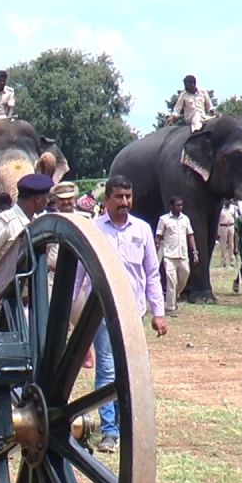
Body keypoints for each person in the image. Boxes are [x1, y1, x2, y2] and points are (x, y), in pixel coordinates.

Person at [89, 175, 168, 453]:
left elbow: (151, 274)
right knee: (107, 371)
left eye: (128, 197)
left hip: (134, 313)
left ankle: (130, 426)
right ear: (107, 200)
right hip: (102, 313)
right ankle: (109, 431)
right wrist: (75, 317)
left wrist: (159, 311)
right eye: (119, 197)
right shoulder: (94, 229)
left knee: (132, 370)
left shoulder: (143, 230)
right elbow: (79, 276)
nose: (125, 202)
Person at [0, 174, 55, 282]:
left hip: (33, 293)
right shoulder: (5, 223)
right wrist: (9, 279)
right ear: (37, 199)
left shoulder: (35, 221)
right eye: (47, 197)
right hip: (9, 296)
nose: (48, 201)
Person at [155, 196, 198, 317]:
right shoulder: (164, 219)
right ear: (171, 206)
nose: (180, 207)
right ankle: (170, 307)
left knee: (184, 278)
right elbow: (158, 236)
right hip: (169, 255)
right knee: (171, 281)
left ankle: (173, 297)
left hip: (183, 255)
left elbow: (190, 235)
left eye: (181, 205)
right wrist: (156, 249)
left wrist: (194, 252)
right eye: (177, 205)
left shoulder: (185, 219)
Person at [217, 198, 238, 268]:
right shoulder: (221, 208)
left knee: (231, 244)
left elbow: (236, 217)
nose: (228, 202)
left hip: (231, 226)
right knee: (223, 244)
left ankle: (232, 261)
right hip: (223, 226)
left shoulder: (233, 208)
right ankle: (223, 262)